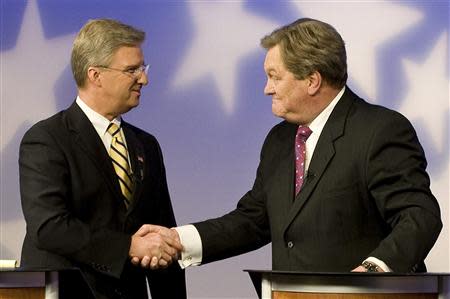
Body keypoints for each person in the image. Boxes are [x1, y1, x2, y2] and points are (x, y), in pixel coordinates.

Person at [135, 18, 442, 273]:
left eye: (274, 77)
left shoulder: (379, 130)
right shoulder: (280, 140)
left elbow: (419, 215)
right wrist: (178, 239)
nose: (267, 89)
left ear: (312, 80)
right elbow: (254, 220)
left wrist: (373, 272)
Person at [19, 19, 186, 299]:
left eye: (142, 68)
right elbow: (49, 227)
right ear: (95, 75)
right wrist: (128, 247)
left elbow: (162, 236)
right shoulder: (47, 139)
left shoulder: (146, 145)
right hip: (67, 292)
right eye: (132, 70)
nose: (144, 79)